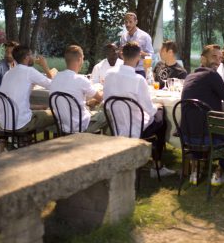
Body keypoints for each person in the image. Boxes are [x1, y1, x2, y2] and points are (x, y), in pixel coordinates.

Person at [103, 41, 175, 177]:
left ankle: (147, 158)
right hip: (135, 127)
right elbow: (149, 110)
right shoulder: (137, 79)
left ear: (122, 56)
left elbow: (106, 102)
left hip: (117, 126)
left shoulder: (109, 74)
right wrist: (158, 107)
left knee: (156, 113)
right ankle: (157, 166)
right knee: (161, 116)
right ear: (138, 58)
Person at [181, 44, 224, 185]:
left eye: (220, 57)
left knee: (201, 124)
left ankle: (195, 170)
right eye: (214, 57)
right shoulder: (212, 75)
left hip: (187, 137)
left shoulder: (190, 76)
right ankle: (220, 171)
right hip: (207, 137)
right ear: (203, 58)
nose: (218, 61)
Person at [0, 45, 55, 140]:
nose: (33, 57)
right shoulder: (29, 71)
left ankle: (22, 142)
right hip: (20, 124)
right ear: (27, 57)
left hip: (5, 122)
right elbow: (54, 85)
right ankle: (54, 148)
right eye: (32, 55)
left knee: (40, 112)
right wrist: (45, 66)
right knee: (58, 114)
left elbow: (15, 99)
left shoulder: (8, 73)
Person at [50, 45, 104, 133]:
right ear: (79, 59)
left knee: (89, 106)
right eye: (83, 58)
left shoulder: (56, 78)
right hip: (81, 126)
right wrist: (107, 86)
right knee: (107, 114)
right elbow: (101, 98)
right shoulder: (81, 80)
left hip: (62, 126)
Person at [120, 12, 154, 77]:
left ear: (136, 22)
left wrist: (137, 52)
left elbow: (151, 56)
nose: (128, 24)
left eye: (130, 22)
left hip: (140, 71)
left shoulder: (145, 36)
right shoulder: (123, 37)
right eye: (126, 22)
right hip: (126, 70)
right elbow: (121, 54)